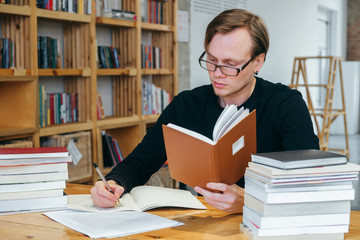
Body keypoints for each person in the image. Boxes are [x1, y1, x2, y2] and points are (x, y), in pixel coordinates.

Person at [91, 9, 319, 213]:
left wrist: (250, 200)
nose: (217, 73)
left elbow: (308, 184)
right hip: (205, 222)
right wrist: (112, 183)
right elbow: (140, 161)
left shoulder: (286, 104)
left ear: (258, 62)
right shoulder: (187, 104)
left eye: (230, 64)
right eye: (211, 60)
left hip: (269, 224)